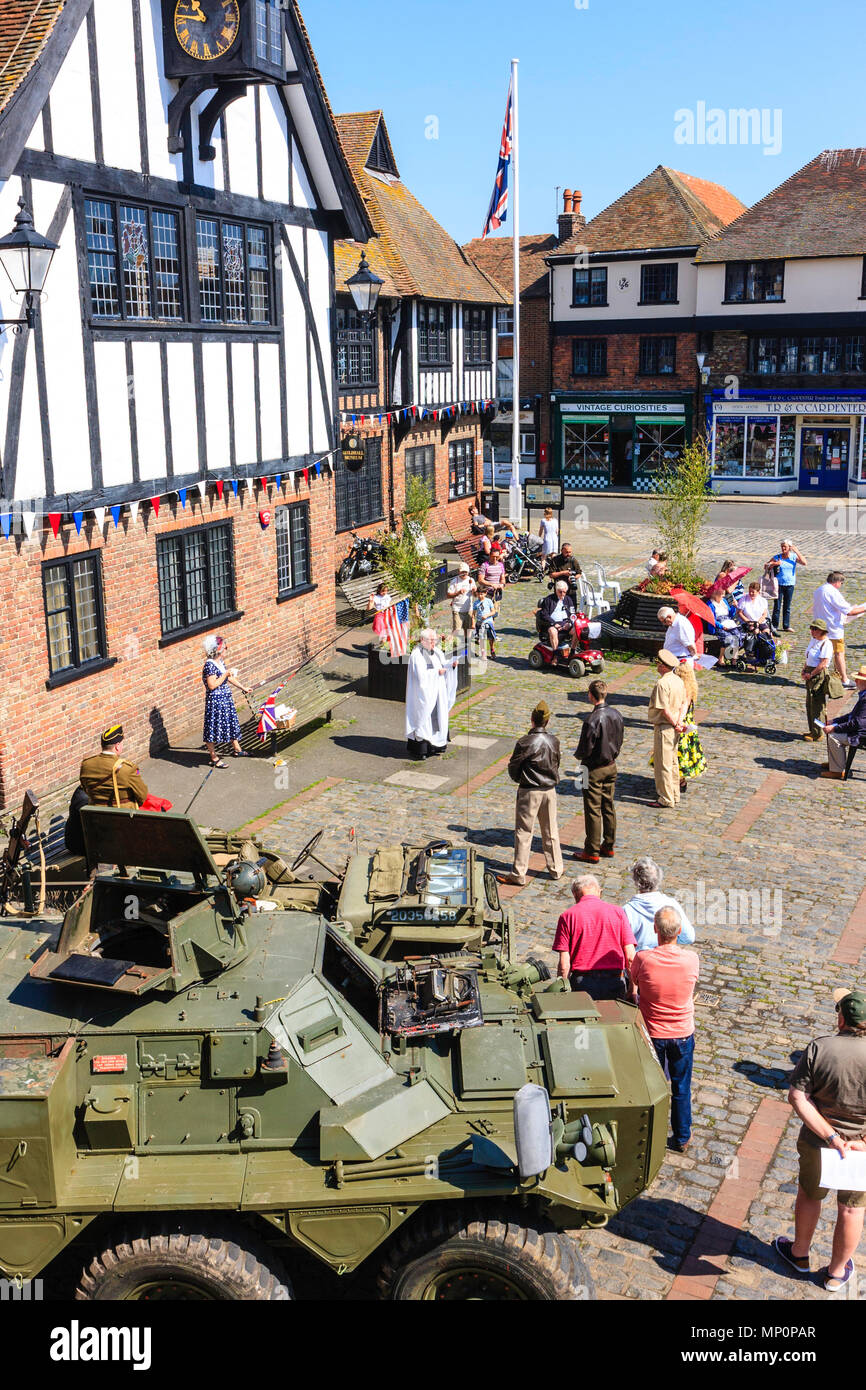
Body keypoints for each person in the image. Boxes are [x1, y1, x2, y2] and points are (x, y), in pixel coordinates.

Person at [775, 988, 866, 1291]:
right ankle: (837, 1273)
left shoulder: (819, 1048)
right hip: (860, 1150)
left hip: (819, 1141)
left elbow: (797, 1097)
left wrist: (830, 1135)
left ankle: (799, 1254)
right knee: (852, 1209)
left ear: (841, 1018)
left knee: (811, 1194)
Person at [631, 905, 699, 1153]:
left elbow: (634, 985)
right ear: (679, 931)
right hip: (682, 1032)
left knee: (652, 1086)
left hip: (653, 1033)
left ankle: (651, 1132)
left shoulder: (643, 959)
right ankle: (681, 1136)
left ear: (655, 930)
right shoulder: (691, 959)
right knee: (681, 1087)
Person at [500, 701, 564, 886]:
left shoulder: (525, 742)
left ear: (532, 720)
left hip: (530, 790)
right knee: (551, 831)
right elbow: (556, 763)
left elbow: (513, 766)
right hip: (549, 790)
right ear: (547, 721)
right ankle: (556, 869)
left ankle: (519, 873)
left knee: (523, 832)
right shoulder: (554, 741)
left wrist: (520, 779)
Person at [552, 874, 636, 1001]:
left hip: (582, 984)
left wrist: (562, 994)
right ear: (599, 892)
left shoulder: (567, 916)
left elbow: (564, 965)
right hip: (615, 982)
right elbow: (630, 958)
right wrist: (633, 989)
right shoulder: (618, 912)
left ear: (574, 894)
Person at [575, 679, 624, 863]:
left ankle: (592, 850)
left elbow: (585, 748)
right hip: (611, 765)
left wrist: (579, 758)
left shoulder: (592, 719)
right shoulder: (616, 714)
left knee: (593, 809)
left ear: (590, 695)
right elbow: (619, 740)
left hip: (593, 768)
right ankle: (609, 845)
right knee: (608, 806)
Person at [622, 857, 696, 951]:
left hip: (639, 961)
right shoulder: (671, 904)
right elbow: (689, 937)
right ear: (659, 878)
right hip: (667, 957)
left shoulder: (627, 910)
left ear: (636, 881)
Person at [405, 628, 457, 760]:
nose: (434, 643)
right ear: (422, 640)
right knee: (424, 719)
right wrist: (436, 673)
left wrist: (451, 666)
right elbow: (420, 676)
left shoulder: (437, 652)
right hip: (425, 694)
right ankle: (422, 749)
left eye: (435, 640)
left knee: (438, 717)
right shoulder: (417, 655)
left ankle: (436, 746)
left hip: (438, 692)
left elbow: (443, 664)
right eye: (431, 641)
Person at [648, 650, 688, 808]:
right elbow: (685, 703)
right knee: (673, 763)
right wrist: (680, 721)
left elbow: (664, 709)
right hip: (675, 726)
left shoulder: (662, 683)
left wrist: (674, 723)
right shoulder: (678, 680)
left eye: (658, 663)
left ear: (663, 666)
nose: (657, 665)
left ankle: (665, 798)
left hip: (665, 727)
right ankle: (675, 794)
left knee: (663, 764)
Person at [812, 572, 866, 689]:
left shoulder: (819, 590)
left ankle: (822, 677)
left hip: (820, 628)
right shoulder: (832, 592)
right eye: (841, 583)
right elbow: (849, 611)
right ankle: (844, 680)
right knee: (838, 654)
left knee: (821, 654)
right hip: (833, 628)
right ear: (837, 582)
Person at [203, 635, 250, 767]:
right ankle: (213, 757)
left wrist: (243, 687)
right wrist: (225, 674)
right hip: (216, 702)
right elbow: (212, 685)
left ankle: (237, 749)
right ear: (219, 650)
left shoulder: (220, 662)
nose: (227, 650)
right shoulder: (209, 666)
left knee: (230, 722)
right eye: (225, 647)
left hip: (225, 700)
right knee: (213, 728)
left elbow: (228, 678)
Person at [79, 724, 149, 808]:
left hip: (95, 815)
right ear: (117, 746)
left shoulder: (86, 765)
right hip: (122, 816)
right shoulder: (127, 769)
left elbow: (85, 789)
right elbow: (142, 796)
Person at [822, 664, 866, 779]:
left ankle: (837, 770)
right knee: (832, 732)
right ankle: (835, 763)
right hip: (859, 729)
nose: (856, 681)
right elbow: (851, 715)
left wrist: (835, 727)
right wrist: (834, 721)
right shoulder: (864, 695)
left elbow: (857, 723)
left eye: (859, 680)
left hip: (861, 734)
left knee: (833, 736)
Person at [801, 618, 840, 742]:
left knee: (817, 705)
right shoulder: (814, 640)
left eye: (815, 629)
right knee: (809, 704)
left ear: (821, 631)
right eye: (811, 628)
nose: (812, 631)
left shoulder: (826, 644)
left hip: (818, 675)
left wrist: (811, 674)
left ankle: (817, 733)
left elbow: (823, 663)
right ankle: (812, 729)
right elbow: (808, 656)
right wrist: (804, 670)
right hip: (810, 673)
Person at [673, 662, 706, 789]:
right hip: (689, 725)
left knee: (680, 752)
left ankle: (680, 780)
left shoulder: (685, 690)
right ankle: (680, 779)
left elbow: (684, 708)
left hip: (683, 726)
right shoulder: (691, 687)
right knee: (683, 752)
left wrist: (679, 723)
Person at [767, 538, 806, 631]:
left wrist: (797, 551)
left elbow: (804, 562)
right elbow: (766, 565)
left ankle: (786, 625)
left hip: (790, 584)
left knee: (787, 606)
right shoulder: (777, 557)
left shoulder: (793, 557)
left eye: (785, 547)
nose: (783, 548)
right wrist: (775, 563)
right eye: (782, 547)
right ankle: (774, 625)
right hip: (778, 584)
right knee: (777, 605)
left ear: (789, 547)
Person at [536, 580, 577, 660]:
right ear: (556, 590)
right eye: (560, 592)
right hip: (552, 624)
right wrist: (554, 623)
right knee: (553, 631)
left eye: (564, 592)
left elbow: (573, 614)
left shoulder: (568, 599)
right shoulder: (549, 600)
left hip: (565, 623)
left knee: (577, 630)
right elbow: (544, 614)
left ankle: (572, 651)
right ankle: (555, 655)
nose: (562, 594)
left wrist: (569, 623)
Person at [447, 562, 477, 635]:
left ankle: (466, 644)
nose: (464, 573)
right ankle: (454, 645)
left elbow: (475, 595)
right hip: (457, 609)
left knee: (468, 631)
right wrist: (458, 593)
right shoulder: (454, 581)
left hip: (468, 609)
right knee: (456, 630)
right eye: (462, 572)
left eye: (466, 572)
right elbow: (448, 595)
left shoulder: (471, 580)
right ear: (459, 572)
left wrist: (474, 591)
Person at [473, 586, 498, 659]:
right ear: (477, 594)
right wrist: (473, 622)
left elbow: (493, 612)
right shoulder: (476, 603)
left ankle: (492, 650)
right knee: (481, 638)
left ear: (485, 593)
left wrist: (487, 615)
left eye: (482, 594)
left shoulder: (488, 601)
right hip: (480, 623)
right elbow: (473, 614)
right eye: (479, 594)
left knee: (491, 637)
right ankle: (483, 653)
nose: (480, 596)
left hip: (488, 621)